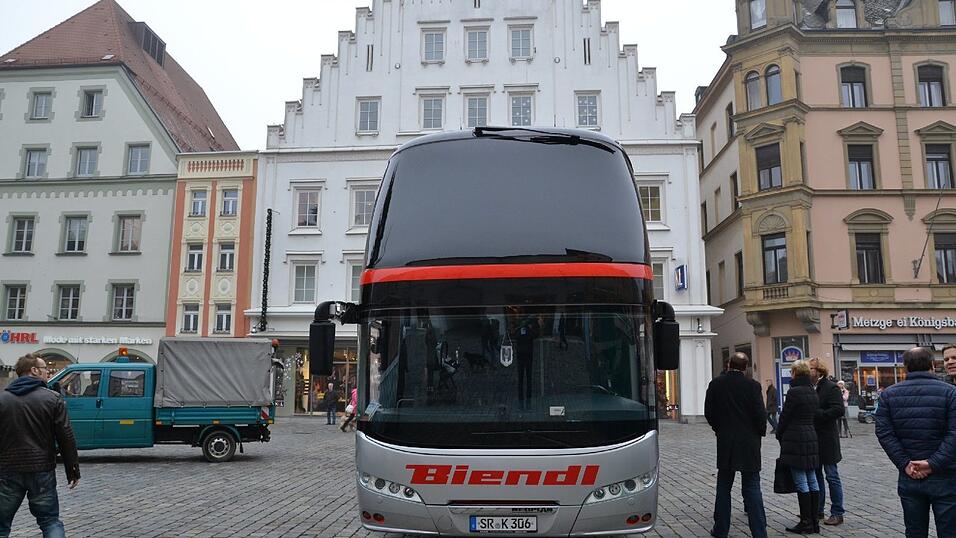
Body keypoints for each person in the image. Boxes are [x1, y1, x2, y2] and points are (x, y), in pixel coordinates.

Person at [875, 347, 956, 538]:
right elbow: (954, 434)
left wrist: (904, 463)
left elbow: (884, 434)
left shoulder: (888, 395)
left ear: (905, 368)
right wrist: (932, 464)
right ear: (933, 366)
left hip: (910, 474)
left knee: (914, 531)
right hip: (946, 474)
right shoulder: (951, 393)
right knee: (949, 532)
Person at [0, 354, 81, 538]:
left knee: (1, 525)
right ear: (34, 371)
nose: (47, 372)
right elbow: (65, 436)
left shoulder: (3, 399)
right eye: (45, 369)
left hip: (8, 470)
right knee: (50, 521)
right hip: (41, 470)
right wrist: (73, 468)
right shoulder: (52, 398)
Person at [704, 352, 768, 538]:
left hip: (726, 441)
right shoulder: (753, 386)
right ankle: (759, 531)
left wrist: (719, 429)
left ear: (728, 364)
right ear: (745, 367)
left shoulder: (716, 384)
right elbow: (760, 414)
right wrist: (758, 434)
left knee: (724, 485)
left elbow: (708, 412)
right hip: (749, 442)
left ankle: (721, 529)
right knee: (752, 486)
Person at [776, 359, 820, 535]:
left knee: (801, 480)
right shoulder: (812, 391)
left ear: (795, 373)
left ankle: (805, 521)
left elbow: (785, 417)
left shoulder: (794, 392)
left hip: (795, 438)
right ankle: (814, 520)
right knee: (812, 479)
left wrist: (779, 434)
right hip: (810, 435)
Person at [808, 357, 845, 526]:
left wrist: (818, 414)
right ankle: (818, 510)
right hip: (813, 438)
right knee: (816, 476)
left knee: (832, 476)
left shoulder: (831, 387)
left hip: (827, 438)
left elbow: (838, 410)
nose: (809, 371)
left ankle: (837, 512)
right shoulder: (809, 387)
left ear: (819, 371)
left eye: (811, 369)